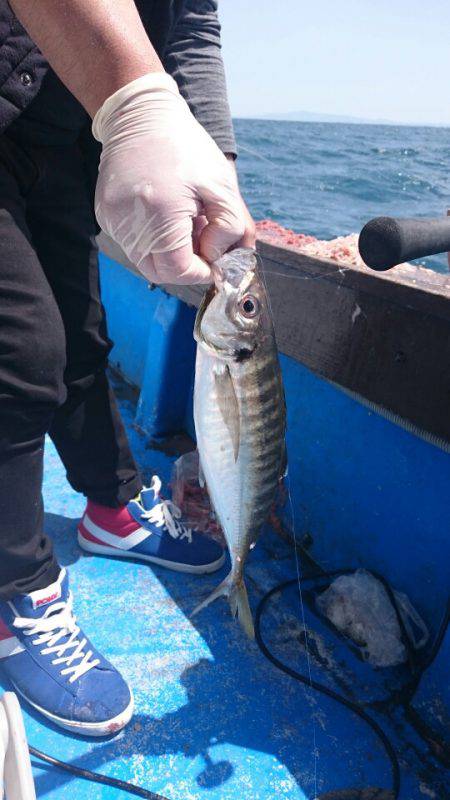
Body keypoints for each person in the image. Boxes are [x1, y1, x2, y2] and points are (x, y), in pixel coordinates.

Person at [0, 0, 255, 737]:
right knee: (20, 353)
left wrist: (219, 173)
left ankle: (112, 509)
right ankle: (16, 593)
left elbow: (194, 29)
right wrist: (140, 101)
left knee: (82, 336)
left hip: (73, 137)